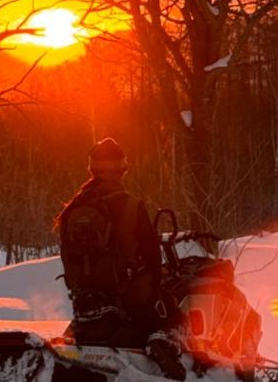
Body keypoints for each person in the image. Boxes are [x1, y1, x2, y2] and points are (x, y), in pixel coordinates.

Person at [54, 138, 186, 381]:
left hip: (87, 301)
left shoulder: (71, 210)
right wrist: (156, 281)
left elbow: (66, 257)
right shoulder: (131, 205)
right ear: (121, 170)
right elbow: (152, 256)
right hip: (131, 298)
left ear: (92, 169)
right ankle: (163, 343)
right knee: (174, 311)